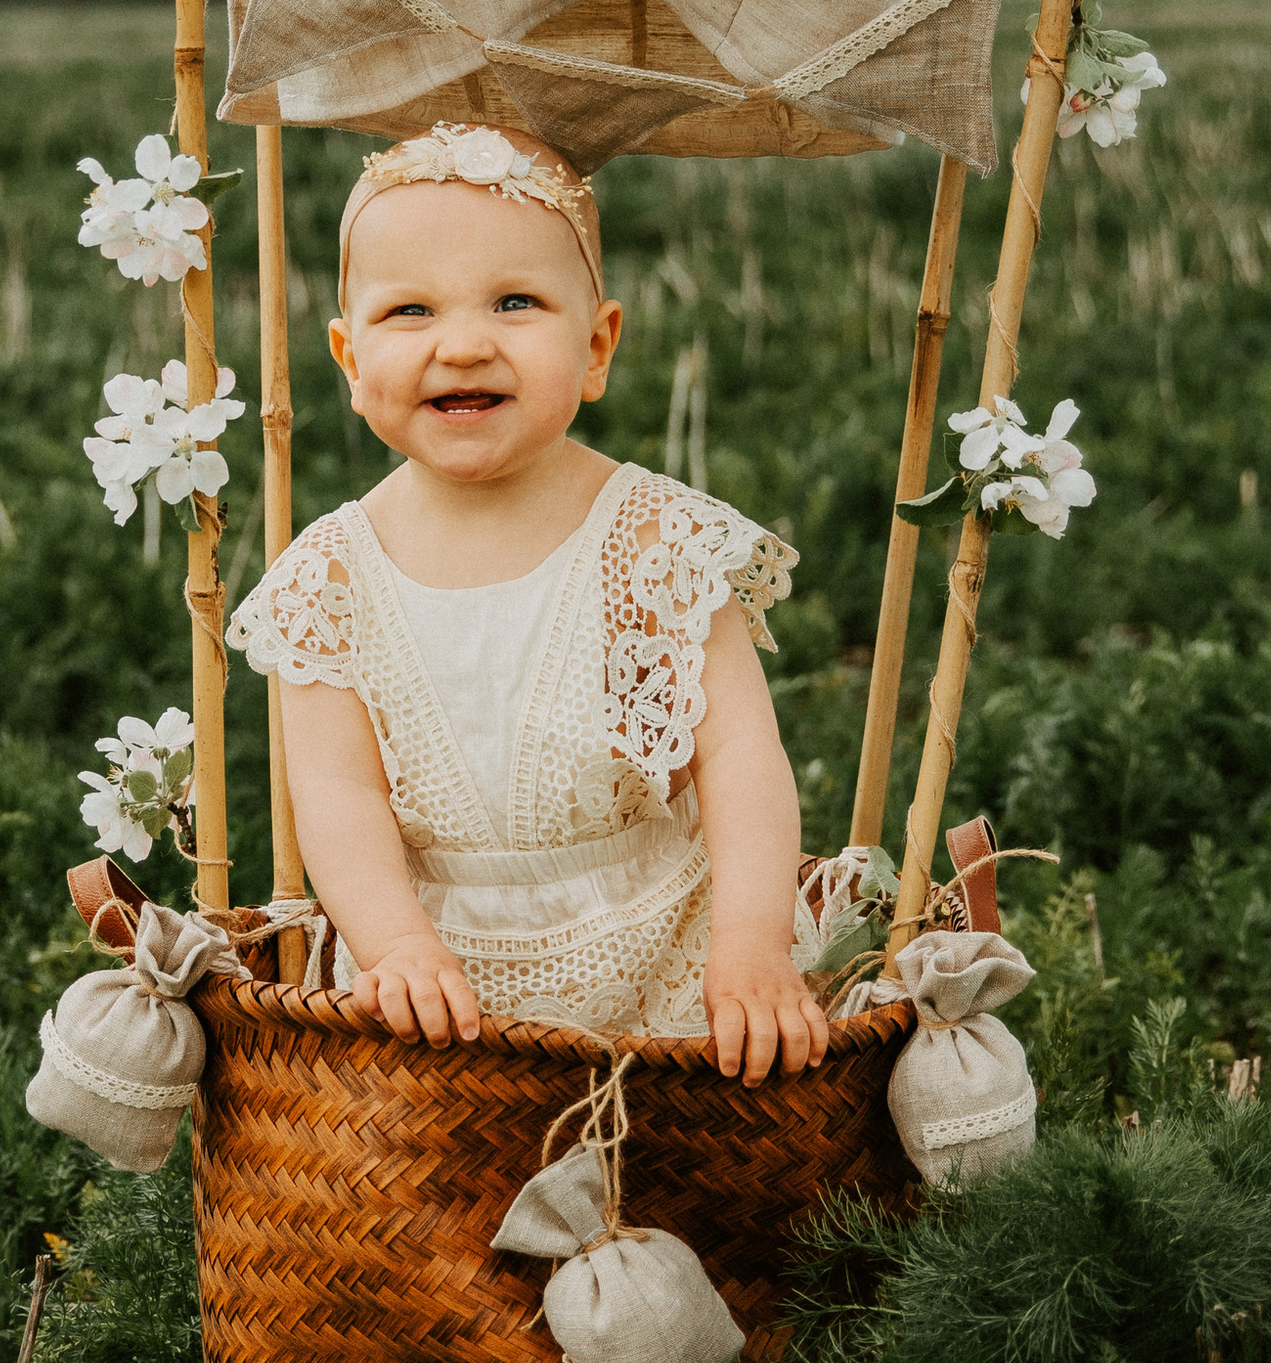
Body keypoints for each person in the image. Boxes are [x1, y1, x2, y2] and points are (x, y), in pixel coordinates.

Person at [228, 122, 831, 1083]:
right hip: (438, 980)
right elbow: (337, 800)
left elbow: (742, 757)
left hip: (666, 959)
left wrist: (752, 945)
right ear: (348, 360)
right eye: (410, 311)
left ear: (596, 346)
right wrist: (393, 948)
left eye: (515, 302)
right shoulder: (330, 579)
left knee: (677, 1178)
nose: (463, 345)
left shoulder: (656, 540)